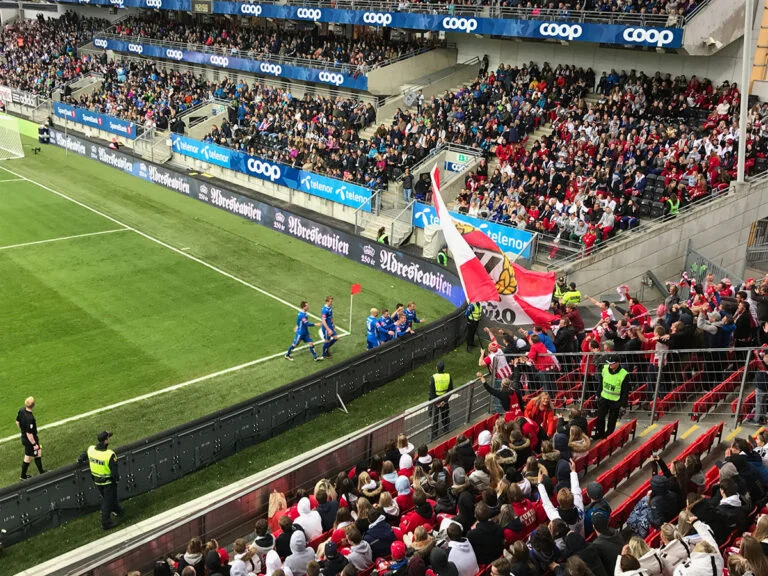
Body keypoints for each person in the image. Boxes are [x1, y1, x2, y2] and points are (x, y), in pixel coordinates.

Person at [78, 430, 123, 530]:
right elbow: (114, 471)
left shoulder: (91, 450)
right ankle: (105, 522)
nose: (109, 439)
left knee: (111, 499)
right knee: (107, 502)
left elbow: (84, 454)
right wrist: (116, 479)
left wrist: (80, 458)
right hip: (108, 482)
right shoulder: (109, 454)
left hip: (97, 481)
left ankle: (119, 511)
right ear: (106, 440)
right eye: (108, 438)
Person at [595, 355, 628, 439]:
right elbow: (601, 383)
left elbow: (625, 391)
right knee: (600, 417)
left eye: (612, 364)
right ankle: (600, 433)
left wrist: (623, 404)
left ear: (617, 363)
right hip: (604, 398)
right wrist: (597, 394)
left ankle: (607, 436)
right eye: (609, 363)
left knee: (612, 420)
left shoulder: (623, 374)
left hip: (615, 401)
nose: (610, 365)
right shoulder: (605, 369)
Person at [16, 396, 45, 480]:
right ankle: (23, 476)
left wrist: (22, 431)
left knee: (36, 452)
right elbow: (29, 434)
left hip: (24, 437)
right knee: (30, 456)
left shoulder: (21, 410)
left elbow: (17, 422)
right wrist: (34, 444)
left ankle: (40, 472)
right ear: (33, 405)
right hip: (30, 440)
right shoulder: (30, 418)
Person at [429, 361, 453, 440]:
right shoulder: (448, 376)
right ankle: (446, 428)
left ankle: (435, 433)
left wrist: (435, 403)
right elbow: (450, 389)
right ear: (443, 368)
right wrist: (445, 401)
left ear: (436, 368)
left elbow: (431, 393)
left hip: (436, 400)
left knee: (435, 417)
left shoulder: (433, 377)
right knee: (445, 414)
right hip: (444, 399)